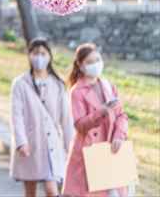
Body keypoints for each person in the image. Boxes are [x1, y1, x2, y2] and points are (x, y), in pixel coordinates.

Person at [64, 43, 130, 197]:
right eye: (89, 62)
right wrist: (101, 111)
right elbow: (79, 125)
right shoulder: (77, 92)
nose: (95, 65)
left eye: (98, 60)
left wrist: (119, 135)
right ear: (80, 66)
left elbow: (122, 115)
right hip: (90, 152)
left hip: (112, 149)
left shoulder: (108, 85)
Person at [10, 39, 73, 197]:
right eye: (35, 53)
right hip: (30, 144)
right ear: (29, 56)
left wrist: (69, 145)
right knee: (30, 191)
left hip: (52, 145)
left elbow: (66, 119)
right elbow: (16, 115)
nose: (39, 57)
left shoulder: (58, 84)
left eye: (43, 53)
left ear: (50, 56)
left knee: (52, 190)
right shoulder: (20, 84)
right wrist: (21, 142)